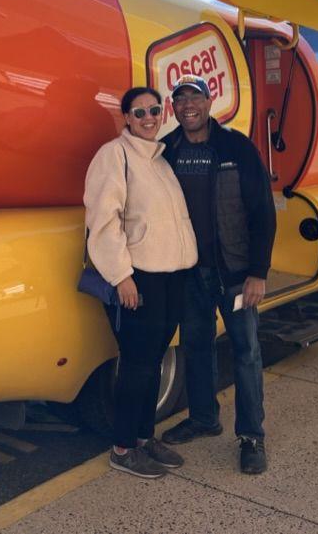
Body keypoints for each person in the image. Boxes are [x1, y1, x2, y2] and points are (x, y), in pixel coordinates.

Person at [160, 74, 276, 475]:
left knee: (245, 353)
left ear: (209, 104)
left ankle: (251, 437)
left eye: (195, 97)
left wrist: (257, 273)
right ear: (173, 108)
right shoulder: (167, 149)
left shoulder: (236, 147)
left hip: (235, 273)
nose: (187, 104)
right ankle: (204, 418)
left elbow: (263, 212)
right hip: (189, 272)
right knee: (196, 347)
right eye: (180, 99)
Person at [83, 86, 198, 479]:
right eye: (139, 112)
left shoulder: (160, 160)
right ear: (127, 119)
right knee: (137, 364)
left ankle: (145, 438)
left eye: (154, 110)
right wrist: (122, 277)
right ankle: (122, 447)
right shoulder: (114, 156)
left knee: (153, 362)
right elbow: (103, 222)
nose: (149, 118)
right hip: (139, 278)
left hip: (171, 277)